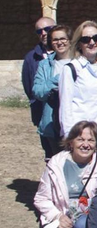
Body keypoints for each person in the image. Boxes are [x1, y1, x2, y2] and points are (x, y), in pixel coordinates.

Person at [58, 20, 97, 156]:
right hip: (82, 137)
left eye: (96, 38)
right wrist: (69, 138)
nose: (92, 42)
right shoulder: (71, 69)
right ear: (79, 43)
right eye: (86, 39)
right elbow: (65, 106)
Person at [33, 24, 72, 160]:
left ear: (70, 40)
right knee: (57, 167)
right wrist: (56, 80)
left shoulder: (80, 62)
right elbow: (37, 91)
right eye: (55, 40)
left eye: (63, 38)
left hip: (77, 125)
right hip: (52, 125)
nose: (59, 42)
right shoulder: (45, 65)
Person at [23, 16, 55, 145]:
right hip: (43, 115)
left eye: (47, 29)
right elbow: (28, 86)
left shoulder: (69, 54)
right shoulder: (31, 58)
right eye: (39, 31)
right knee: (50, 154)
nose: (43, 33)